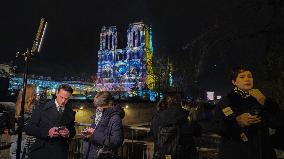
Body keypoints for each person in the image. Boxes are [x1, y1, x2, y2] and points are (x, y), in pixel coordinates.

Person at [212, 66, 282, 159]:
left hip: (262, 153)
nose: (247, 79)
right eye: (242, 77)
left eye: (250, 76)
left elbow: (278, 122)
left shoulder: (261, 98)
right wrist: (237, 122)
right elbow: (216, 126)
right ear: (234, 82)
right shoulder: (226, 101)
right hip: (236, 153)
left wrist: (265, 102)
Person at [25, 84, 76, 159]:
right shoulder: (42, 107)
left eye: (66, 99)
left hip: (60, 151)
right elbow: (29, 128)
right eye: (61, 97)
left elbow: (72, 131)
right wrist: (47, 132)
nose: (63, 101)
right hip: (41, 150)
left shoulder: (70, 112)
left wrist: (68, 133)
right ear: (56, 93)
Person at [151, 91, 198, 159]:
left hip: (162, 155)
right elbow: (197, 133)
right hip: (182, 155)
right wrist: (194, 119)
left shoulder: (157, 117)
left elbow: (154, 134)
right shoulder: (186, 116)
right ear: (179, 102)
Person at [82, 91, 124, 159]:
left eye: (101, 106)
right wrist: (88, 134)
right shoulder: (98, 115)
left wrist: (94, 134)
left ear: (109, 104)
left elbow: (116, 141)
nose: (98, 109)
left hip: (102, 155)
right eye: (97, 106)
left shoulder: (115, 118)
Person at [10, 84, 37, 159]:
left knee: (15, 154)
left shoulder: (18, 105)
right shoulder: (32, 107)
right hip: (26, 137)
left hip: (18, 136)